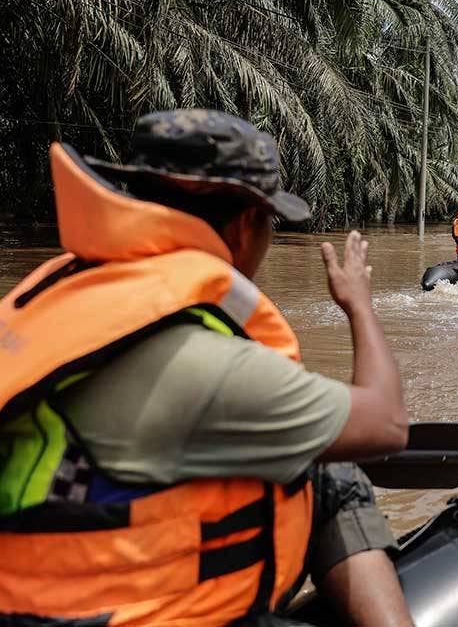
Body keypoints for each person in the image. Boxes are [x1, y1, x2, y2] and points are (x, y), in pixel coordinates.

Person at [0, 110, 413, 627]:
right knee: (332, 470)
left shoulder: (62, 292)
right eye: (270, 222)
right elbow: (386, 422)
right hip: (110, 613)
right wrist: (359, 303)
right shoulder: (196, 360)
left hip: (39, 590)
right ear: (245, 227)